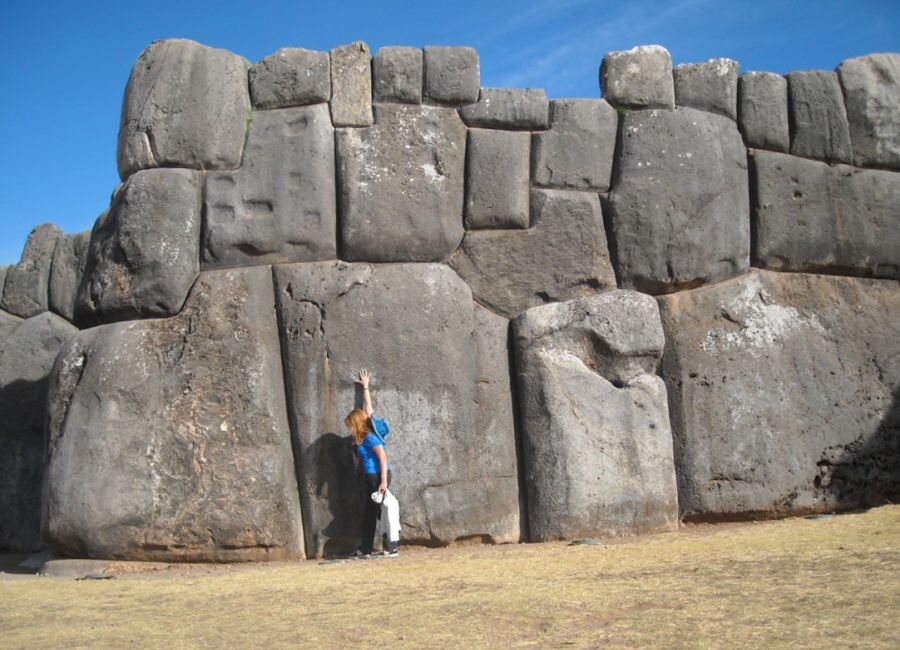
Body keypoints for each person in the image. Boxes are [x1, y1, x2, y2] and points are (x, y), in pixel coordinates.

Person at [344, 369, 399, 557]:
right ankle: (383, 546)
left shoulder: (369, 437)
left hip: (377, 476)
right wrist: (365, 387)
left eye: (351, 425)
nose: (350, 429)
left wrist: (383, 482)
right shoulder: (368, 428)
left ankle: (382, 547)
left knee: (377, 512)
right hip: (372, 477)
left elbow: (382, 458)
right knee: (376, 511)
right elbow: (368, 408)